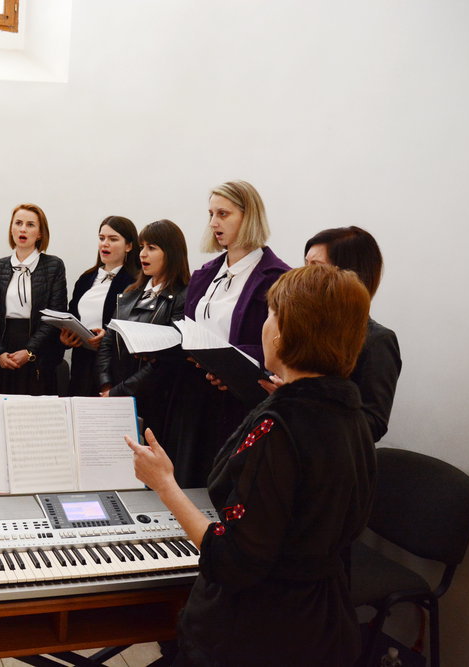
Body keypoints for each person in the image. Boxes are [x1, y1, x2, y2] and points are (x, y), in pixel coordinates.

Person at [127, 264, 376, 666]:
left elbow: (231, 562)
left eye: (271, 314)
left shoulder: (278, 429)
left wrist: (165, 484)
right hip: (324, 623)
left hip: (258, 633)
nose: (265, 324)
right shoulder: (350, 413)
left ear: (284, 332)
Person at [174, 181, 290, 488]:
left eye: (223, 214)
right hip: (196, 395)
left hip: (240, 401)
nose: (213, 223)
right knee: (190, 483)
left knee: (225, 488)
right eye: (211, 214)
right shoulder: (206, 273)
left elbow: (282, 345)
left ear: (248, 216)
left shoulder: (276, 277)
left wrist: (231, 364)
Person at [292, 226, 401, 441]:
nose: (303, 275)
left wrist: (304, 402)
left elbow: (373, 424)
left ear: (349, 274)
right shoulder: (302, 324)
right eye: (305, 264)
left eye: (316, 266)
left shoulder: (377, 341)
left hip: (327, 454)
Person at [96, 219, 189, 442]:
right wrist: (106, 383)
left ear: (171, 253)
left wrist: (119, 392)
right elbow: (108, 341)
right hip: (115, 395)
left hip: (156, 404)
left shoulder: (183, 297)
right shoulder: (130, 293)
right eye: (142, 247)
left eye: (152, 248)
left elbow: (165, 360)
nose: (143, 254)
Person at [0, 204, 66, 434]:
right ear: (11, 229)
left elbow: (55, 315)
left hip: (37, 354)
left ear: (40, 233)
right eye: (18, 223)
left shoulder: (53, 266)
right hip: (4, 353)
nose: (23, 229)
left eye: (30, 224)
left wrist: (29, 351)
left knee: (33, 430)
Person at [61, 216, 139, 397]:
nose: (105, 243)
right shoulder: (86, 278)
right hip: (82, 361)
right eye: (102, 238)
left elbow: (135, 325)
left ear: (129, 246)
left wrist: (108, 336)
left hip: (113, 364)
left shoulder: (135, 281)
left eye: (113, 239)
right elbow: (72, 315)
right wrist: (66, 337)